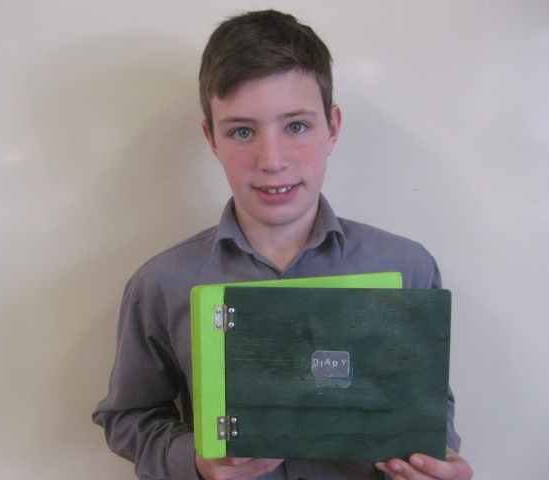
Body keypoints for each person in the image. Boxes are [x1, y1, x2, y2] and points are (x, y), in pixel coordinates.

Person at [92, 9, 473, 480]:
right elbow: (127, 416)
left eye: (295, 126)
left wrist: (434, 461)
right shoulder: (162, 282)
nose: (272, 161)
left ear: (332, 128)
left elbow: (429, 408)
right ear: (211, 138)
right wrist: (195, 460)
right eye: (242, 131)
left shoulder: (407, 267)